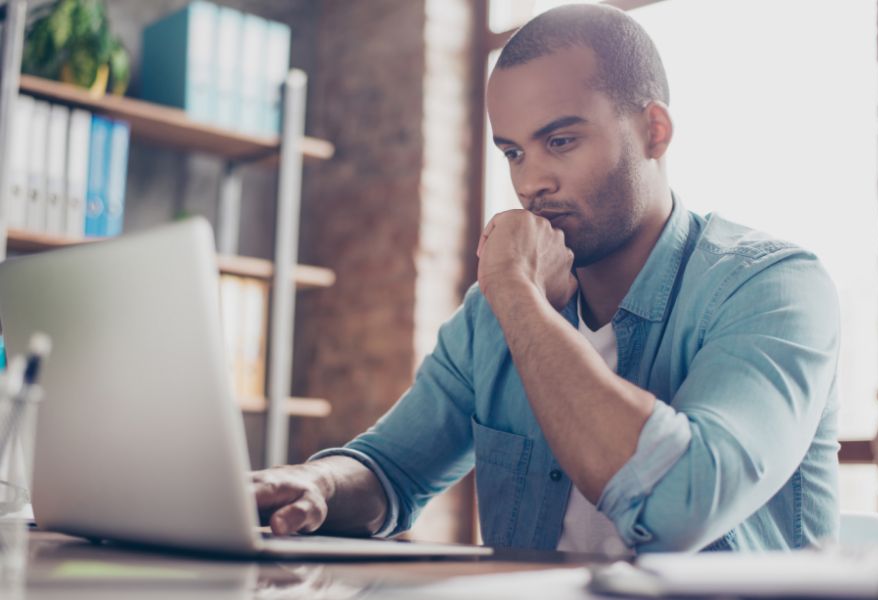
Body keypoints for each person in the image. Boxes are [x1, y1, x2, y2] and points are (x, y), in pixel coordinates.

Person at [252, 3, 840, 554]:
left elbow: (676, 508)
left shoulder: (772, 288)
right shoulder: (495, 314)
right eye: (512, 153)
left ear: (654, 131)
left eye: (560, 142)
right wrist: (318, 484)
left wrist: (514, 294)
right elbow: (391, 471)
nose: (531, 183)